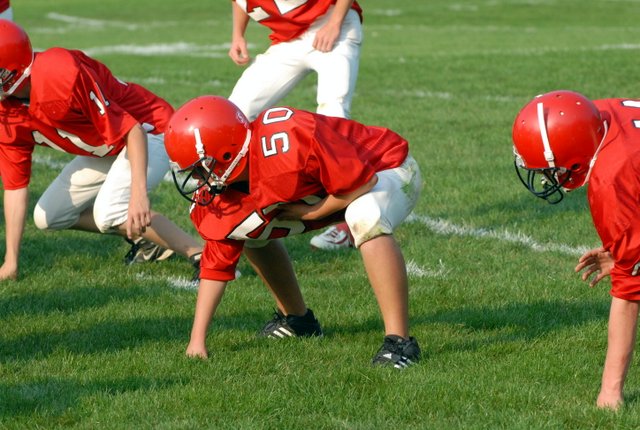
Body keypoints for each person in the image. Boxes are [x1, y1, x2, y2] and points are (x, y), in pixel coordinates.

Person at [164, 95, 422, 368]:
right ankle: (298, 320)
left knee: (364, 215)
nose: (197, 179)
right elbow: (214, 268)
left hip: (388, 169)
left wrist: (312, 212)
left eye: (199, 169)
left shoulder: (289, 140)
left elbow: (363, 182)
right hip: (337, 192)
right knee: (246, 231)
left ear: (226, 155)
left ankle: (399, 343)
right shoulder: (223, 195)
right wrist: (197, 340)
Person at [0, 20, 203, 281]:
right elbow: (15, 188)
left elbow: (132, 130)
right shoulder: (6, 114)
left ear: (11, 70)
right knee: (48, 216)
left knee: (110, 211)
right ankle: (150, 241)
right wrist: (11, 262)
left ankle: (202, 255)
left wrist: (138, 195)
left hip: (149, 129)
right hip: (110, 146)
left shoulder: (58, 74)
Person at [512, 89, 640, 410]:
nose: (548, 176)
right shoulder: (600, 114)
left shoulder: (611, 181)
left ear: (574, 158)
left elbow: (629, 293)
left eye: (549, 169)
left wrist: (610, 390)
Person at [227, 0, 363, 251]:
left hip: (332, 22)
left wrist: (335, 23)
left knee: (333, 116)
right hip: (287, 39)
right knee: (235, 112)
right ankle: (233, 205)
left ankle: (349, 222)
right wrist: (238, 35)